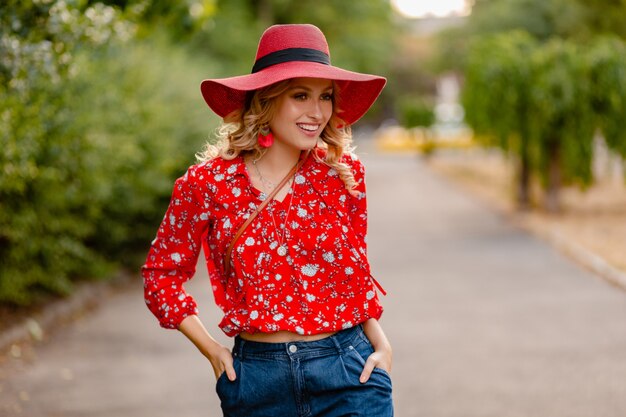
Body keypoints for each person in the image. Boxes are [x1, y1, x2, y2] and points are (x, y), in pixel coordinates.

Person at [142, 23, 393, 417]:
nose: (317, 111)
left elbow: (353, 275)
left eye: (325, 96)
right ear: (265, 99)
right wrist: (211, 349)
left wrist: (381, 344)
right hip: (259, 381)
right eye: (300, 95)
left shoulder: (343, 174)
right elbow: (161, 275)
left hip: (350, 372)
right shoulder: (209, 184)